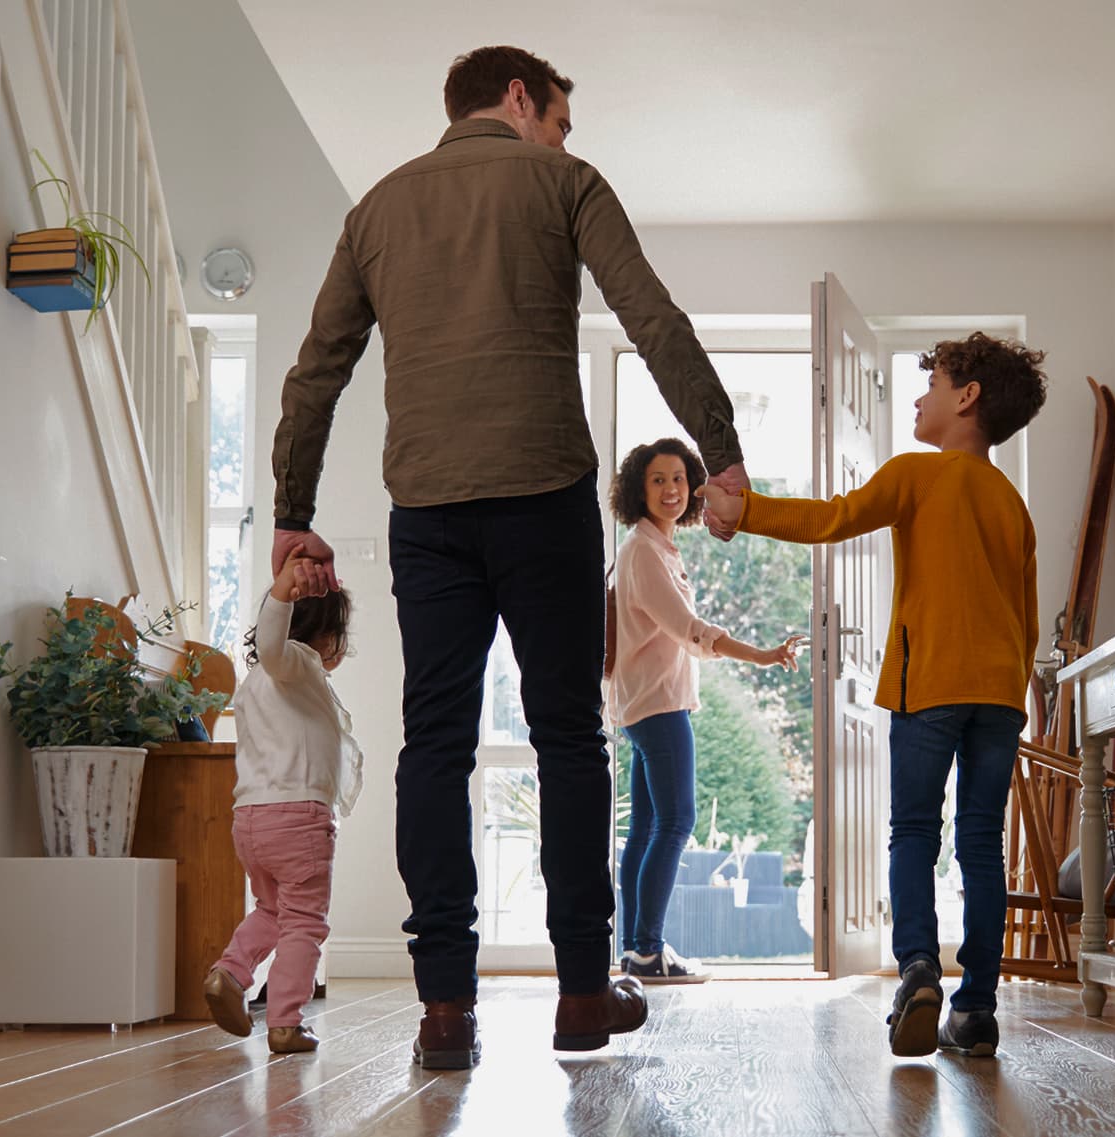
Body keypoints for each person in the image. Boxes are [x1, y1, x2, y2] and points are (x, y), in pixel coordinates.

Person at [269, 45, 750, 1070]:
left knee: (433, 745)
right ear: (521, 98)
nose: (566, 140)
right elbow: (650, 318)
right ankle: (583, 992)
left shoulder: (377, 210)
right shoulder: (564, 182)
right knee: (569, 737)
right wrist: (722, 454)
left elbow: (317, 373)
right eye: (561, 119)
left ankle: (444, 1009)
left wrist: (290, 509)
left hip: (429, 509)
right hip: (543, 500)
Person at [699, 333, 1047, 1059]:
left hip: (930, 684)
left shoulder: (917, 475)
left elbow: (830, 518)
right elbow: (1029, 614)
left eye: (933, 385)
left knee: (915, 831)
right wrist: (1014, 693)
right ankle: (978, 1009)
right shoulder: (1014, 503)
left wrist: (745, 509)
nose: (919, 399)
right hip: (1000, 693)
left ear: (967, 397)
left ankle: (919, 966)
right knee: (982, 844)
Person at [606, 438, 804, 984]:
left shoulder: (653, 547)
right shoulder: (644, 552)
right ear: (636, 491)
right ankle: (645, 949)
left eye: (677, 479)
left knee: (648, 827)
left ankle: (637, 952)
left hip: (646, 701)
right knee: (675, 821)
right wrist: (762, 655)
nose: (670, 490)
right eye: (657, 480)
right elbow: (692, 631)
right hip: (657, 705)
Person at [201, 555, 359, 1054]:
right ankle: (286, 1021)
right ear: (326, 634)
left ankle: (228, 974)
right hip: (299, 819)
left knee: (272, 909)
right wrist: (283, 593)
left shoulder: (255, 685)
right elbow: (273, 644)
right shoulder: (294, 664)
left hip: (250, 821)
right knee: (305, 920)